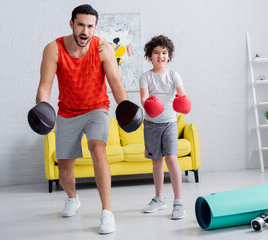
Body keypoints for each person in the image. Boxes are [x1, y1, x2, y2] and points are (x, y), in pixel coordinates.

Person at [36, 4, 128, 234]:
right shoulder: (54, 49)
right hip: (67, 112)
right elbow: (45, 87)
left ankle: (107, 212)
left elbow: (116, 84)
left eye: (90, 26)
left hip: (97, 108)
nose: (85, 30)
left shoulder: (103, 48)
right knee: (65, 171)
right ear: (72, 24)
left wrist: (126, 108)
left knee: (98, 149)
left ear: (95, 27)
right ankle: (72, 197)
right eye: (80, 25)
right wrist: (43, 109)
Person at [139, 35, 191, 220]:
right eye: (156, 52)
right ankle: (160, 198)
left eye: (164, 52)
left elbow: (181, 94)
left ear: (169, 56)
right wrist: (149, 104)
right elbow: (144, 98)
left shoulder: (173, 75)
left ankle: (178, 202)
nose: (160, 56)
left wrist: (182, 100)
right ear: (149, 55)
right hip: (151, 125)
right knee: (156, 162)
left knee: (171, 158)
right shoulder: (145, 77)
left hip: (169, 123)